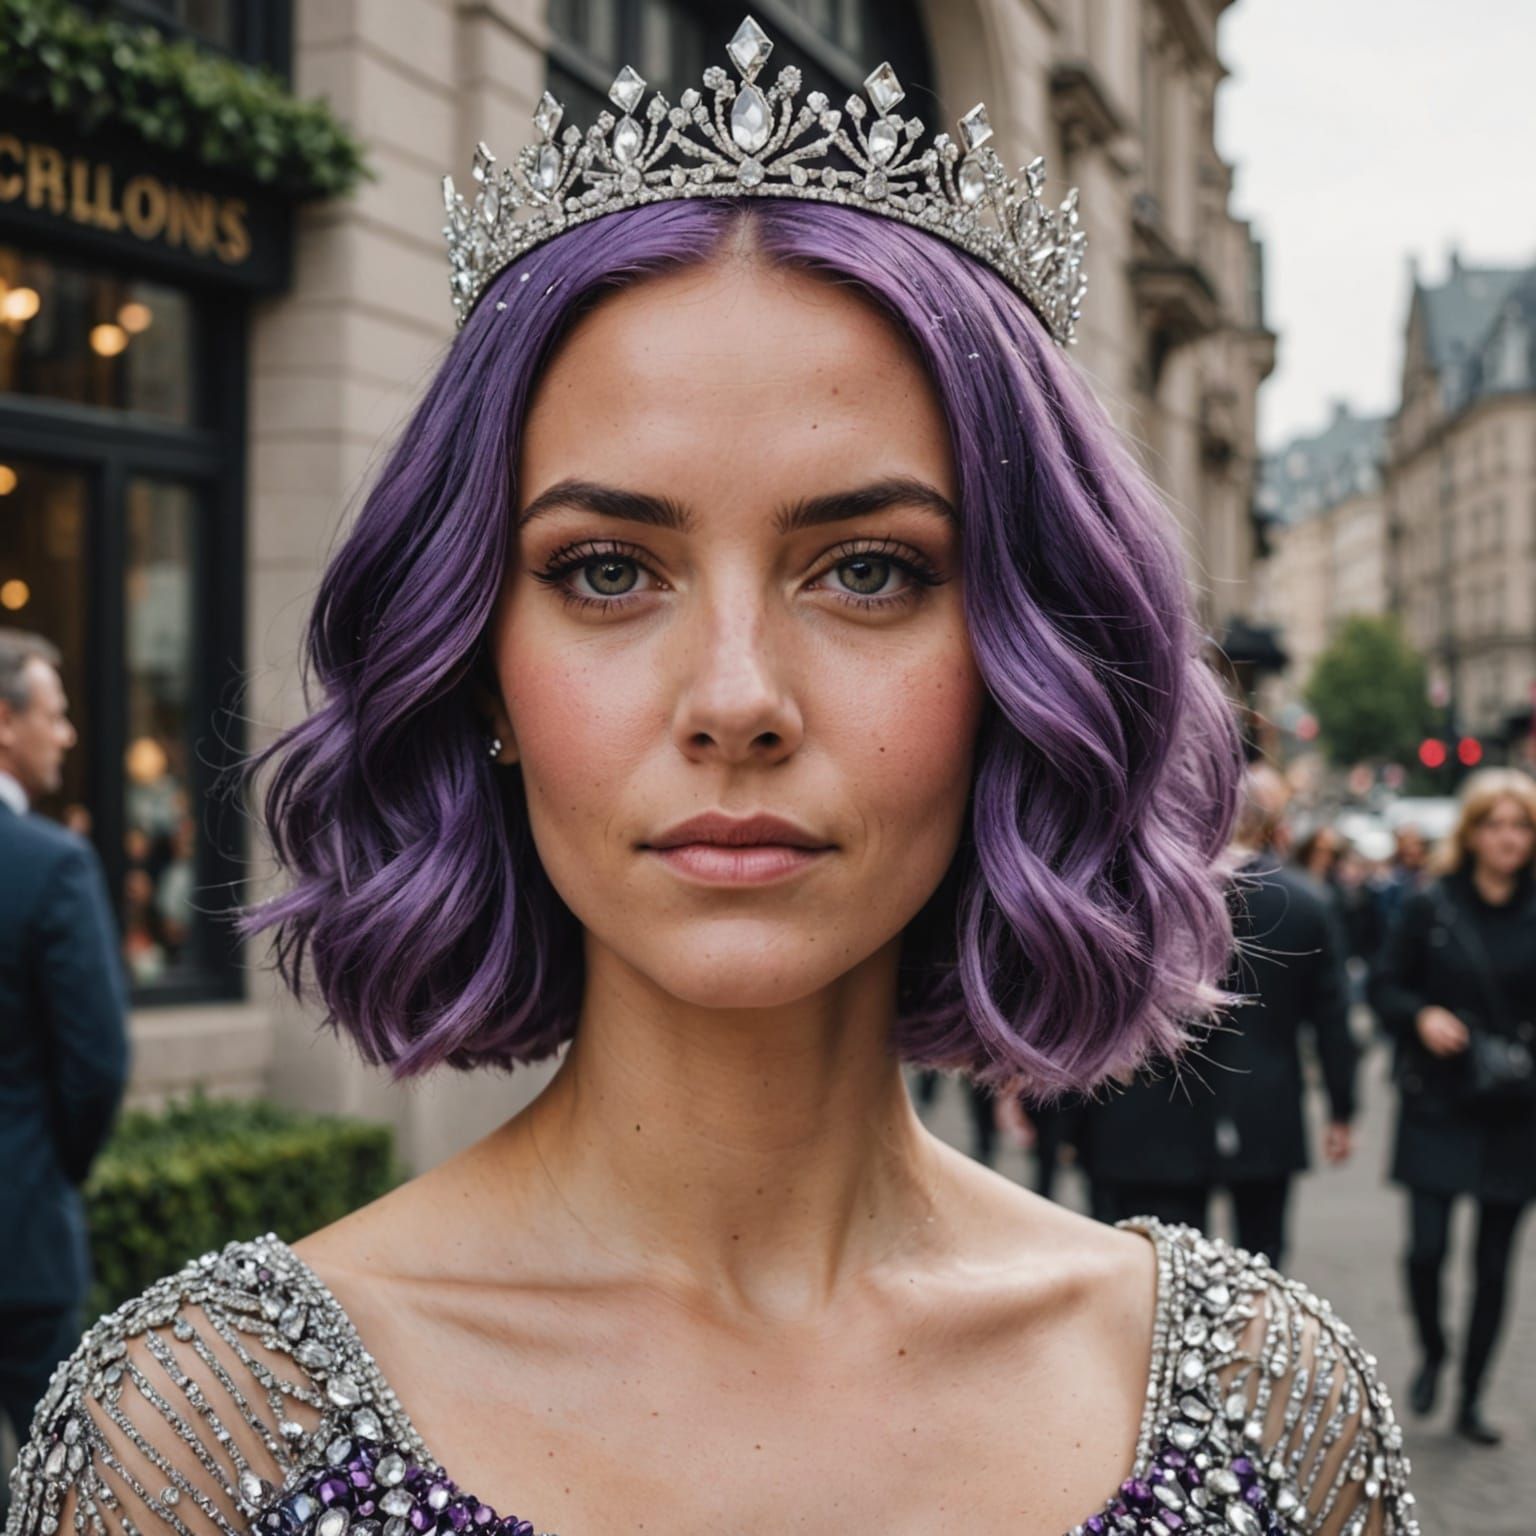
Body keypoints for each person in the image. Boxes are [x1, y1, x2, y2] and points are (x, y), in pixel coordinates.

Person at [4, 25, 1419, 1536]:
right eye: (608, 570)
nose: (737, 699)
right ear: (478, 664)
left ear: (1025, 658)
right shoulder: (205, 1440)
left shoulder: (1266, 1410)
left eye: (868, 570)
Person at [0, 630, 130, 1521]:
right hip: (21, 1242)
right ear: (5, 723)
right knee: (71, 1500)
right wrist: (51, 1175)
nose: (70, 734)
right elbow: (97, 1065)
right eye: (55, 713)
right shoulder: (50, 865)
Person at [1368, 766, 1536, 1448]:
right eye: (1495, 824)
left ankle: (1470, 1395)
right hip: (1438, 1099)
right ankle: (1434, 1349)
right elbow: (1382, 987)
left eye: (1521, 825)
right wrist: (1422, 1016)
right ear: (1472, 834)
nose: (1509, 838)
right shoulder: (1430, 906)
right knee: (1426, 1252)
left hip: (1516, 1106)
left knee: (1494, 1265)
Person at [1203, 765, 1359, 1272]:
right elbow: (1332, 1017)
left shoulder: (1173, 893)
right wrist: (1341, 1109)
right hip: (1270, 1096)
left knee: (1174, 1255)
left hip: (1174, 1106)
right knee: (1262, 1254)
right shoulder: (1306, 901)